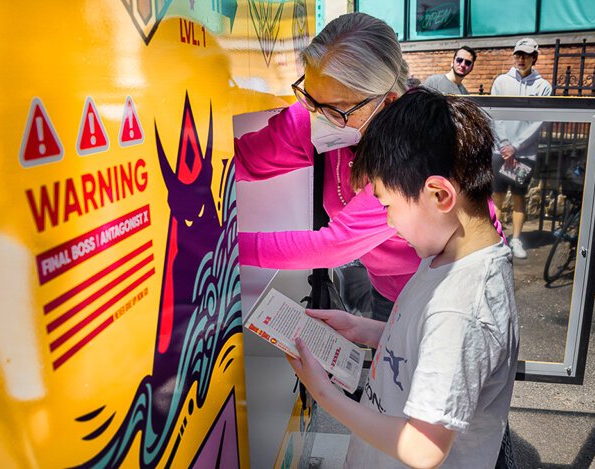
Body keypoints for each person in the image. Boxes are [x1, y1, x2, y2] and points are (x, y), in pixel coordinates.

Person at [288, 89, 519, 468]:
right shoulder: (446, 253)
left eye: (387, 205)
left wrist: (324, 394)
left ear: (439, 195)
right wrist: (364, 329)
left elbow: (423, 448)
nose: (390, 221)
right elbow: (425, 347)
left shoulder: (461, 310)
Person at [235, 13, 505, 322]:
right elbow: (242, 159)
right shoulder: (318, 107)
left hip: (448, 290)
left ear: (386, 102)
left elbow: (337, 244)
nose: (315, 116)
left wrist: (229, 249)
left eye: (335, 110)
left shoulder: (410, 147)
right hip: (388, 286)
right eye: (308, 97)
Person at [490, 37, 553, 259]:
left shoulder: (543, 86)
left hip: (524, 154)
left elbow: (538, 122)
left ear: (534, 57)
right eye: (518, 54)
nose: (521, 59)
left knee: (518, 198)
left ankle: (516, 239)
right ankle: (496, 238)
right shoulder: (501, 81)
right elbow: (494, 115)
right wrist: (505, 145)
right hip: (500, 151)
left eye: (526, 55)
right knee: (496, 196)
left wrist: (515, 147)